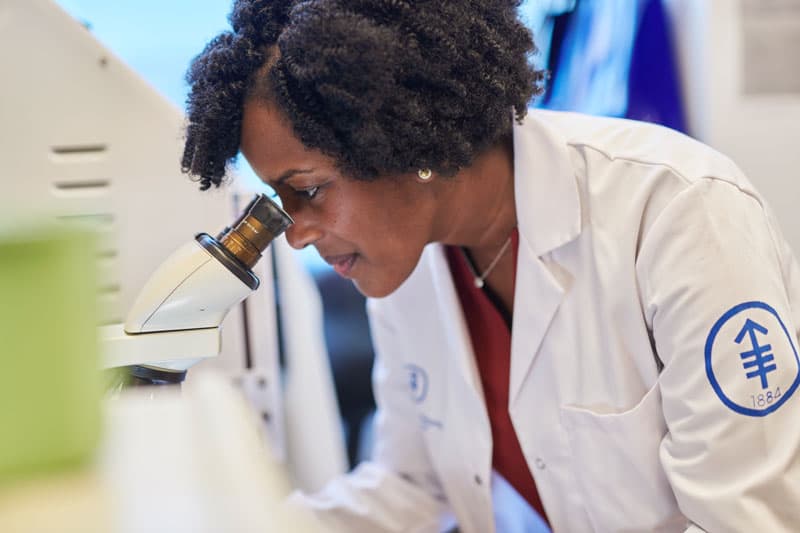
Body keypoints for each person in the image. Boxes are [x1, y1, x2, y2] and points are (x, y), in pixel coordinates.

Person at [180, 1, 800, 531]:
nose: (295, 235)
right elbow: (414, 487)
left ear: (406, 141)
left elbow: (745, 520)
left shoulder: (679, 211)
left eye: (308, 190)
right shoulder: (404, 263)